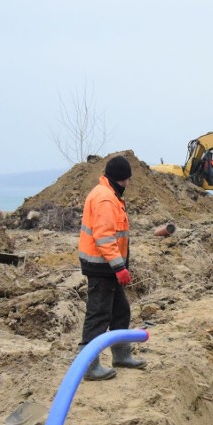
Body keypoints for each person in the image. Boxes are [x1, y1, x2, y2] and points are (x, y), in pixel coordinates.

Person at [77, 155, 146, 381]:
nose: (127, 184)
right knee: (98, 314)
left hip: (107, 266)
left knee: (120, 311)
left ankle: (121, 355)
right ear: (118, 179)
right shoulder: (105, 199)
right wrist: (119, 267)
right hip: (101, 267)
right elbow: (104, 237)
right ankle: (89, 365)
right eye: (125, 180)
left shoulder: (109, 194)